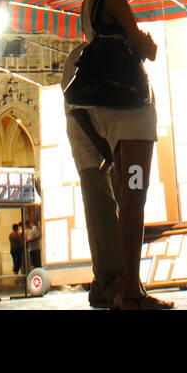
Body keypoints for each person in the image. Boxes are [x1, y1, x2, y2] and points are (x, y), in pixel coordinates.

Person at [74, 0, 172, 310]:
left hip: (113, 119)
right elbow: (143, 46)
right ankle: (132, 292)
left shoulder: (89, 1)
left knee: (131, 197)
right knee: (135, 196)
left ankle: (133, 288)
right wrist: (146, 41)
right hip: (133, 116)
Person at [61, 43, 124, 309]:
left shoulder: (118, 52)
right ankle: (114, 286)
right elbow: (75, 106)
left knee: (122, 211)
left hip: (115, 146)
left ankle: (103, 285)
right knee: (103, 216)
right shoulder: (79, 56)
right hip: (91, 150)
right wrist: (102, 147)